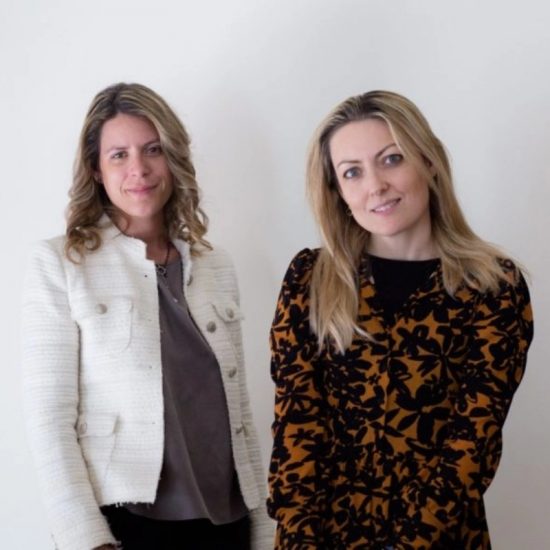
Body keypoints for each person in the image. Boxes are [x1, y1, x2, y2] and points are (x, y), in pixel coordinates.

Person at [267, 90, 533, 549]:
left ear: (428, 162)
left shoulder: (491, 285)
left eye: (391, 159)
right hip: (321, 537)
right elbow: (296, 425)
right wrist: (299, 539)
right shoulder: (310, 278)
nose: (375, 186)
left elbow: (474, 441)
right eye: (352, 172)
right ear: (338, 191)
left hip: (440, 536)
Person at [22, 82, 273, 550]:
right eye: (119, 155)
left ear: (173, 158)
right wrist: (86, 540)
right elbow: (49, 420)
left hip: (227, 523)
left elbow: (237, 410)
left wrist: (264, 529)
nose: (138, 169)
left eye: (153, 149)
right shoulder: (62, 264)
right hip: (126, 525)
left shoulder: (216, 266)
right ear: (96, 169)